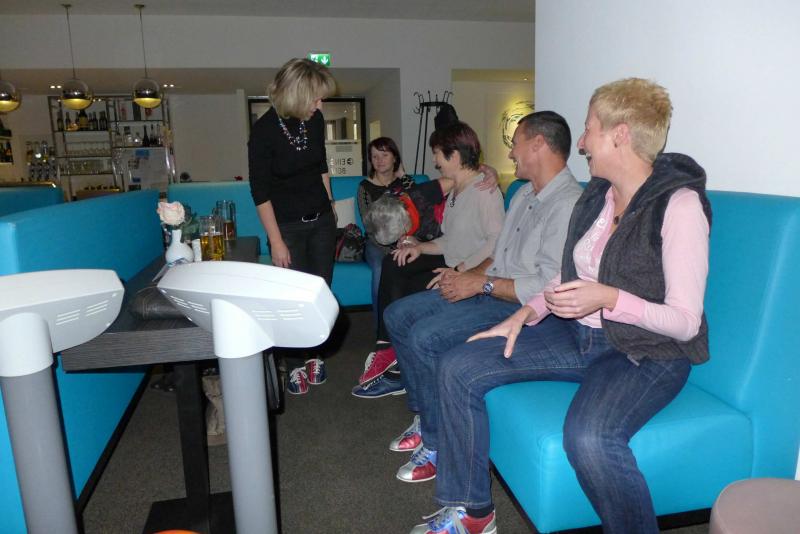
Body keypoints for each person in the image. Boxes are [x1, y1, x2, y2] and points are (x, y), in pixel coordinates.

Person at [413, 78, 711, 534]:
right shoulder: (597, 196)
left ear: (620, 134)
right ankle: (472, 512)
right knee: (458, 367)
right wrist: (523, 315)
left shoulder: (679, 205)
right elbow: (566, 277)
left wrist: (609, 297)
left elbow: (686, 324)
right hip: (578, 335)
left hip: (645, 353)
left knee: (590, 438)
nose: (583, 142)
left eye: (590, 129)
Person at [382, 111, 582, 485]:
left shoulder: (568, 203)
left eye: (516, 143)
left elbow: (544, 286)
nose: (510, 153)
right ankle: (427, 416)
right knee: (397, 315)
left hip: (518, 307)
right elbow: (499, 252)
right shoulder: (524, 193)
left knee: (425, 337)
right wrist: (468, 276)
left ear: (538, 144)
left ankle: (436, 443)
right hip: (489, 288)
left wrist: (480, 285)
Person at [248, 57, 336, 395]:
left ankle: (315, 354)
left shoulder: (314, 121)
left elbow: (321, 165)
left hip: (321, 221)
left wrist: (330, 206)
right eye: (315, 98)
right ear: (297, 95)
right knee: (292, 299)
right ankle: (295, 362)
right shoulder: (264, 131)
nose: (320, 105)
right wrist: (276, 241)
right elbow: (260, 191)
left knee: (319, 293)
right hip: (287, 227)